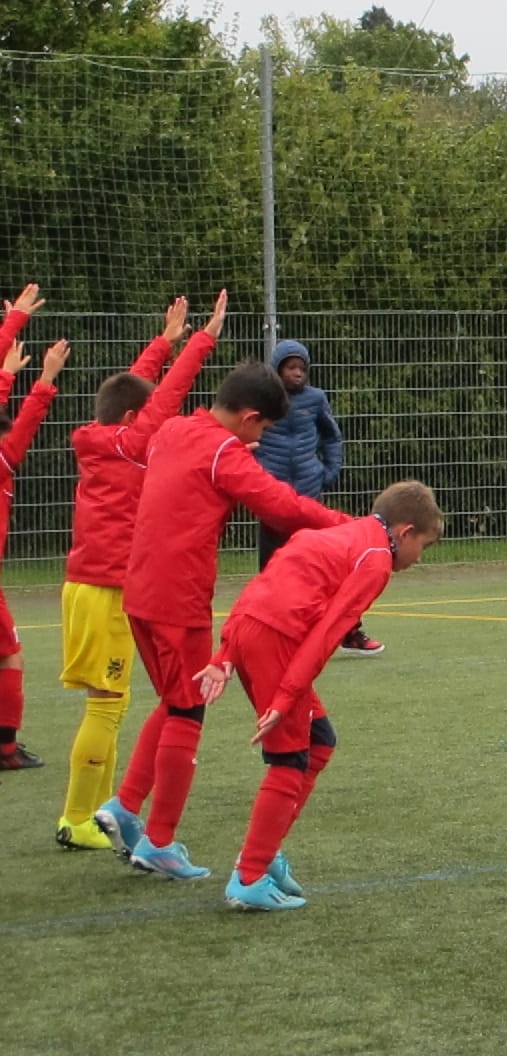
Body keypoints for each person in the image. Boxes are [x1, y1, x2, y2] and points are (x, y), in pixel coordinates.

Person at [94, 361, 351, 880]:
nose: (262, 438)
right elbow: (280, 506)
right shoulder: (223, 452)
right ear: (250, 416)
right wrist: (348, 526)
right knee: (188, 712)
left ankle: (125, 805)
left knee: (174, 702)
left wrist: (233, 459)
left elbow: (194, 474)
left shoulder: (174, 430)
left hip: (140, 589)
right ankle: (159, 842)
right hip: (179, 596)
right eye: (263, 428)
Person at [196, 480, 443, 910]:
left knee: (320, 741)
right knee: (290, 759)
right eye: (423, 546)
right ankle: (249, 876)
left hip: (252, 629)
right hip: (277, 642)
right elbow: (328, 633)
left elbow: (264, 583)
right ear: (405, 532)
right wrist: (286, 696)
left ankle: (265, 851)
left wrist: (227, 649)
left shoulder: (341, 534)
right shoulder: (375, 561)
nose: (419, 557)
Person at [56, 291, 225, 850]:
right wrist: (202, 341)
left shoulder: (104, 436)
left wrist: (164, 343)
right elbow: (163, 397)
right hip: (107, 588)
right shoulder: (131, 445)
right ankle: (78, 819)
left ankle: (102, 812)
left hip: (89, 585)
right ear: (132, 421)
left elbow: (133, 393)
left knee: (116, 702)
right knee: (108, 705)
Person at [256, 340, 377, 656]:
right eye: (290, 367)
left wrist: (329, 471)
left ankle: (350, 631)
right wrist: (257, 476)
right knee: (272, 570)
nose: (297, 373)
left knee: (328, 565)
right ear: (277, 369)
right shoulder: (261, 399)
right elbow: (246, 438)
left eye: (302, 368)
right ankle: (269, 634)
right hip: (273, 499)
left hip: (310, 496)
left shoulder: (316, 398)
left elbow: (332, 437)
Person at [0, 287, 71, 774]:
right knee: (10, 658)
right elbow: (24, 423)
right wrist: (44, 379)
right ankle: (5, 750)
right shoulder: (4, 460)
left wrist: (7, 371)